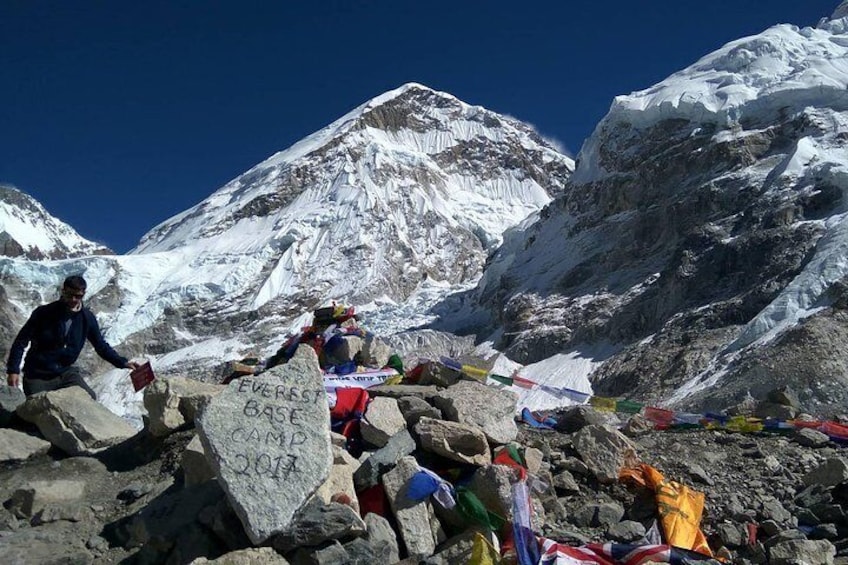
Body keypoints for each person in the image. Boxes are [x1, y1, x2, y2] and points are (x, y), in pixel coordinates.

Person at [5, 275, 139, 399]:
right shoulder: (43, 313)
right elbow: (21, 342)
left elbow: (100, 345)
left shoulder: (87, 318)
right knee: (40, 410)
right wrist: (13, 370)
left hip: (65, 374)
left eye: (78, 296)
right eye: (69, 295)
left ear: (83, 295)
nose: (73, 300)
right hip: (37, 375)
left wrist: (122, 362)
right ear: (63, 291)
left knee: (89, 399)